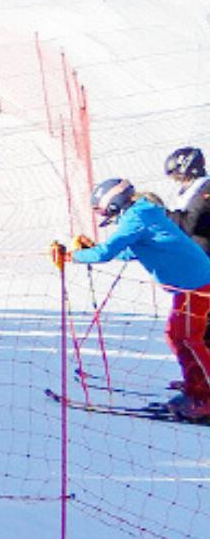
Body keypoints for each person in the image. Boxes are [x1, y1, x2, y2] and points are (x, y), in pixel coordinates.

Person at [60, 178, 210, 421]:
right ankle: (196, 384)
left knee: (186, 338)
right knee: (177, 335)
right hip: (190, 285)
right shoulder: (141, 214)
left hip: (195, 285)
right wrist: (92, 249)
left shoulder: (136, 216)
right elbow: (132, 249)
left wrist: (72, 256)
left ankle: (204, 396)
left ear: (113, 204)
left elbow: (105, 253)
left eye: (102, 211)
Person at [167, 145, 210, 256]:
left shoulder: (206, 190)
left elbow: (188, 223)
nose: (177, 182)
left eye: (179, 177)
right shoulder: (187, 193)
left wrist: (159, 214)